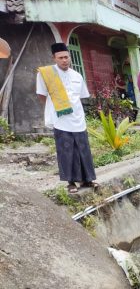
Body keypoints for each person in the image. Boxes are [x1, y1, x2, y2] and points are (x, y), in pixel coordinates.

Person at [36, 42, 96, 194]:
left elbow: (81, 96)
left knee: (83, 149)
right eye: (61, 57)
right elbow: (41, 95)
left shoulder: (77, 75)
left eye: (66, 57)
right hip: (61, 120)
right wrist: (54, 109)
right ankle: (70, 182)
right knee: (66, 150)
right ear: (54, 58)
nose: (64, 60)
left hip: (78, 119)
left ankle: (87, 179)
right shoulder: (46, 74)